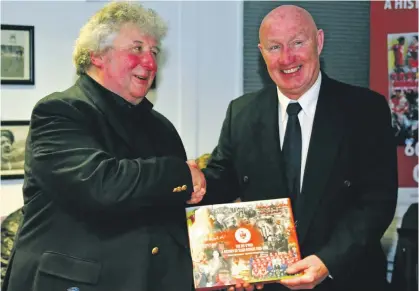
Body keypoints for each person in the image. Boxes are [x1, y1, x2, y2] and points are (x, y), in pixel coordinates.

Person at [2, 2, 206, 291]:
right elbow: (101, 184)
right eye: (137, 49)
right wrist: (181, 175)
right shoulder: (59, 111)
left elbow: (170, 217)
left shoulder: (161, 127)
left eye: (154, 52)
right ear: (97, 54)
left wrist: (219, 267)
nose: (150, 63)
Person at [197, 5, 398, 291]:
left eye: (298, 43)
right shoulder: (241, 113)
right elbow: (221, 184)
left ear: (320, 41)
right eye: (274, 47)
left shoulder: (365, 110)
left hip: (346, 279)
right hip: (270, 284)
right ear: (262, 52)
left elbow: (377, 202)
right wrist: (194, 184)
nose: (287, 58)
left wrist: (328, 260)